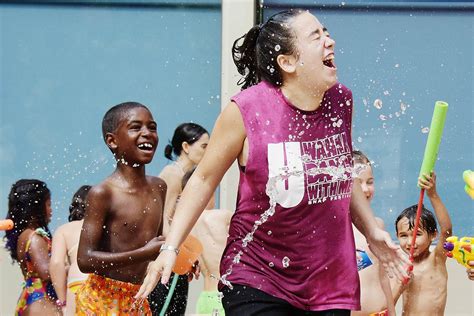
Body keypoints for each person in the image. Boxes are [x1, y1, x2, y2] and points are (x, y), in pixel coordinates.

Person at [136, 9, 409, 315]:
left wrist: (372, 231)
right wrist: (171, 247)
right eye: (315, 36)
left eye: (326, 32)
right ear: (288, 62)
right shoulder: (247, 110)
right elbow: (202, 179)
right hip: (257, 276)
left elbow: (340, 171)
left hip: (329, 282)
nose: (329, 41)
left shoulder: (340, 101)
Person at [76, 101, 166, 315]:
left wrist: (182, 260)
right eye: (136, 127)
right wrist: (143, 253)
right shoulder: (104, 193)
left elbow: (157, 245)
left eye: (152, 127)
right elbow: (84, 260)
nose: (147, 133)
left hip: (137, 298)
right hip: (100, 299)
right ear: (112, 141)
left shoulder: (159, 187)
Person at [149, 123, 209, 315]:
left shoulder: (191, 178)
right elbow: (162, 219)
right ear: (185, 147)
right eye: (203, 146)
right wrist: (178, 248)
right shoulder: (172, 174)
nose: (208, 152)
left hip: (179, 255)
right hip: (168, 255)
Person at [392, 171, 452, 315]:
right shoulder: (400, 267)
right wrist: (399, 287)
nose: (410, 241)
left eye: (417, 235)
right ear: (396, 236)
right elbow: (388, 305)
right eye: (403, 235)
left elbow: (447, 230)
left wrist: (433, 194)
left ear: (433, 235)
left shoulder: (436, 259)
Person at [4, 179, 60, 315]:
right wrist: (71, 268)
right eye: (48, 205)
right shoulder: (35, 238)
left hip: (29, 298)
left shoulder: (23, 236)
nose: (51, 210)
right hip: (42, 301)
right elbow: (46, 273)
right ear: (36, 208)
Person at [351, 151, 395, 316]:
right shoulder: (335, 231)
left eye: (370, 182)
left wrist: (392, 312)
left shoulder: (378, 226)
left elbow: (383, 278)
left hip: (380, 312)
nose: (365, 189)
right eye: (358, 183)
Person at [50, 185, 91, 315]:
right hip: (104, 285)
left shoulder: (64, 229)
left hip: (77, 281)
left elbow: (56, 264)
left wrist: (62, 302)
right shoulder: (107, 228)